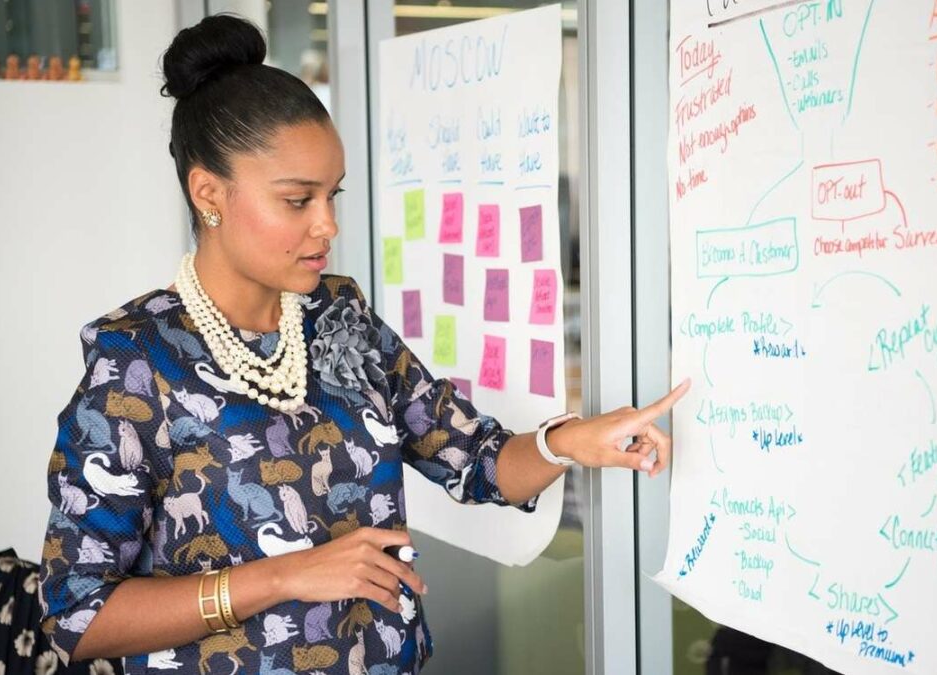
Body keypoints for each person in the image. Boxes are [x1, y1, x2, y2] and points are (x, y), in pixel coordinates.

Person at [37, 15, 689, 675]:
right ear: (209, 194)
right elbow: (77, 616)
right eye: (298, 200)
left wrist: (568, 442)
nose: (328, 224)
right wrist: (284, 576)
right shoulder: (136, 361)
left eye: (332, 195)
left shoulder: (337, 315)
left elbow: (473, 458)